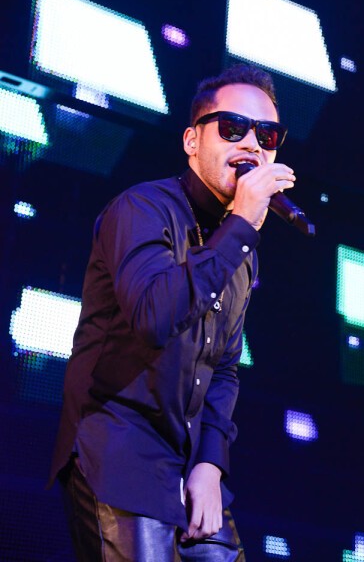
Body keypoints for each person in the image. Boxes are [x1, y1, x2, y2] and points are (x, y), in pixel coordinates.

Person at [49, 63, 296, 561]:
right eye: (233, 128)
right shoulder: (143, 209)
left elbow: (223, 367)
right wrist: (242, 223)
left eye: (267, 135)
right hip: (119, 456)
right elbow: (154, 317)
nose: (252, 144)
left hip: (189, 473)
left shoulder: (240, 249)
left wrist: (210, 464)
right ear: (191, 141)